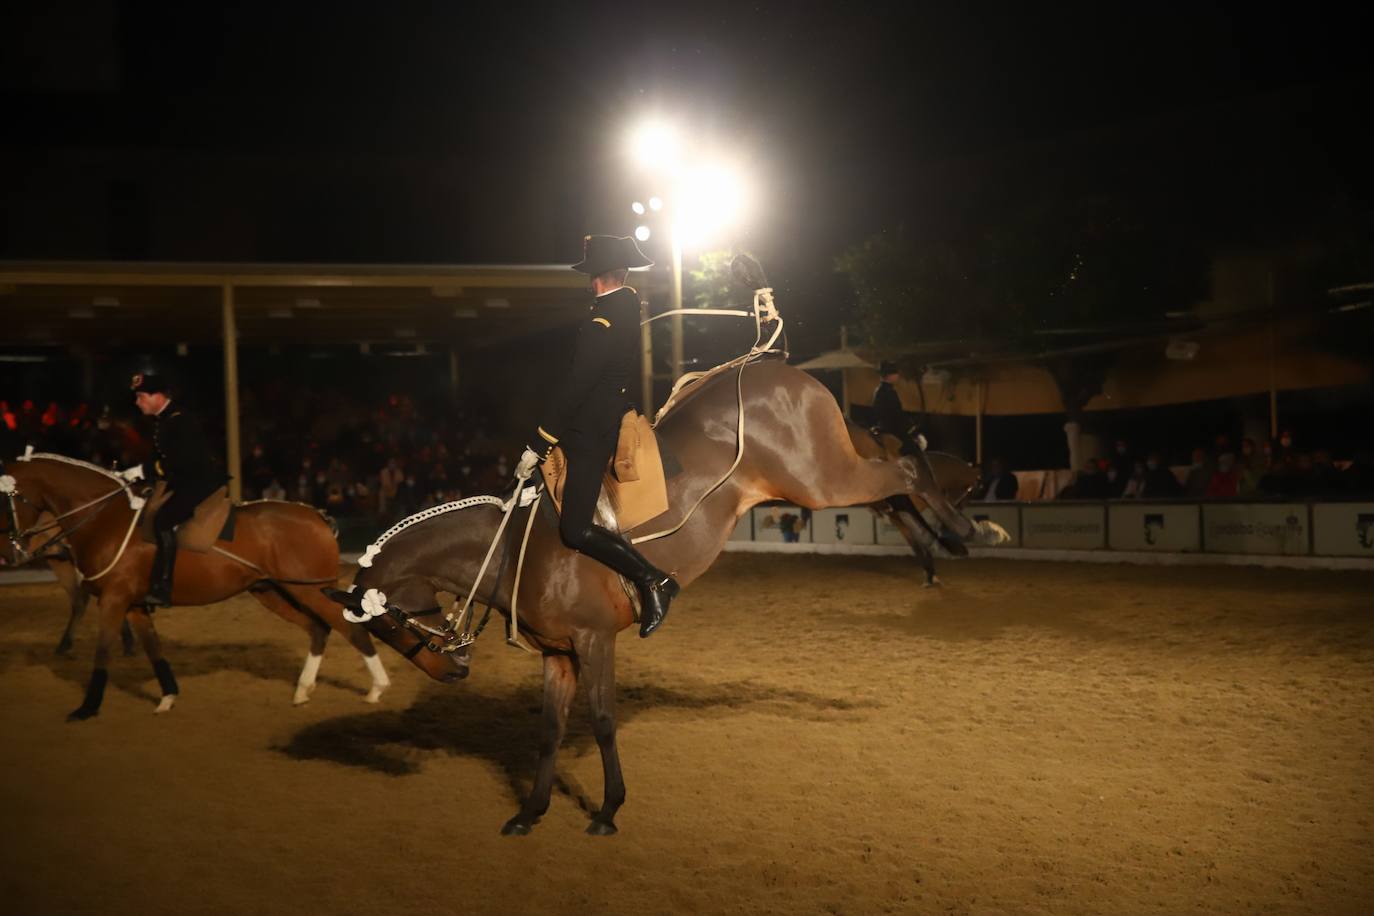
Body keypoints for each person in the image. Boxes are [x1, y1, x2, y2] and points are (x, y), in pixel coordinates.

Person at [515, 234, 679, 638]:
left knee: (574, 529)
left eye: (591, 275)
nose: (589, 282)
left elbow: (577, 385)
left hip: (589, 434)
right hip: (594, 420)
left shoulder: (601, 320)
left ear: (599, 278)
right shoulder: (622, 309)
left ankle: (653, 580)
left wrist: (539, 442)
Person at [118, 372, 226, 608]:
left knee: (162, 521)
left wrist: (144, 472)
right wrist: (134, 473)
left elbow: (182, 459)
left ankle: (163, 588)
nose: (138, 402)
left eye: (141, 396)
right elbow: (158, 457)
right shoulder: (164, 420)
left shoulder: (180, 419)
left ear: (157, 396)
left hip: (198, 482)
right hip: (180, 480)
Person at [871, 360, 925, 455]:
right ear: (890, 375)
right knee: (915, 448)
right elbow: (896, 414)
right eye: (896, 373)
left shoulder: (879, 391)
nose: (898, 376)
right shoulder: (889, 392)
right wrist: (909, 426)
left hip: (884, 425)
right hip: (893, 428)